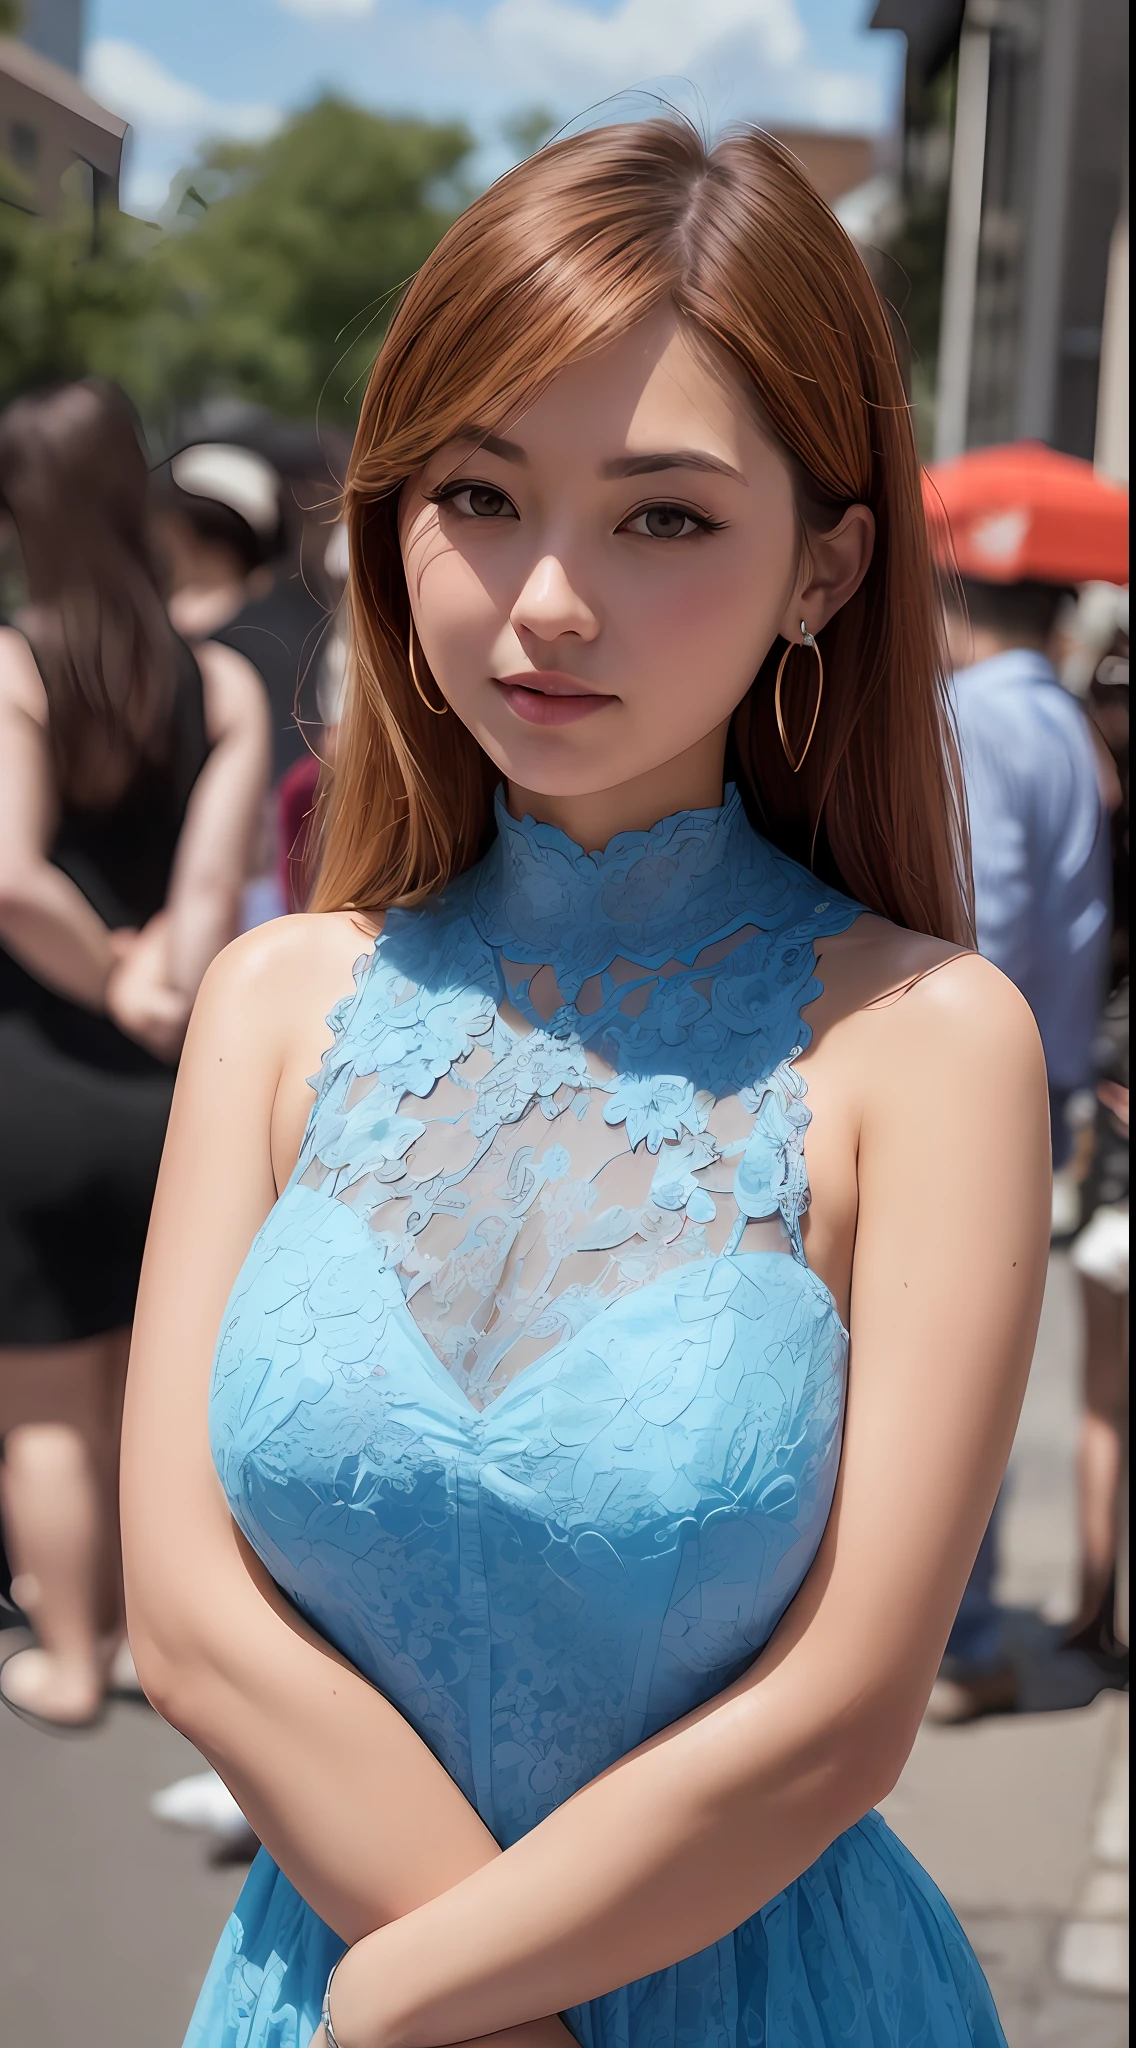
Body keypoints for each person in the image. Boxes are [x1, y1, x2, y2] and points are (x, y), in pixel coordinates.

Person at [122, 123, 1050, 2048]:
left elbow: (844, 1711)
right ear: (390, 521)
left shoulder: (928, 1042)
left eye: (663, 516)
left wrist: (418, 2003)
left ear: (828, 563)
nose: (547, 600)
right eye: (481, 491)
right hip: (333, 1988)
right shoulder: (279, 998)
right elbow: (193, 1621)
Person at [0, 379, 269, 1730]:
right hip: (171, 1089)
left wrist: (103, 971)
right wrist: (155, 983)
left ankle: (67, 1653)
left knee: (46, 1404)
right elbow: (212, 892)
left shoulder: (12, 664)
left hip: (33, 1081)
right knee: (151, 1389)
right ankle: (150, 1638)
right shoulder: (216, 679)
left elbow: (7, 875)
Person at [924, 453, 1118, 1723]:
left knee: (931, 1358)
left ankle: (963, 1632)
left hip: (961, 1075)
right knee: (968, 1356)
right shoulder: (1053, 714)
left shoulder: (975, 716)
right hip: (1032, 1070)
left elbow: (977, 905)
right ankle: (967, 1629)